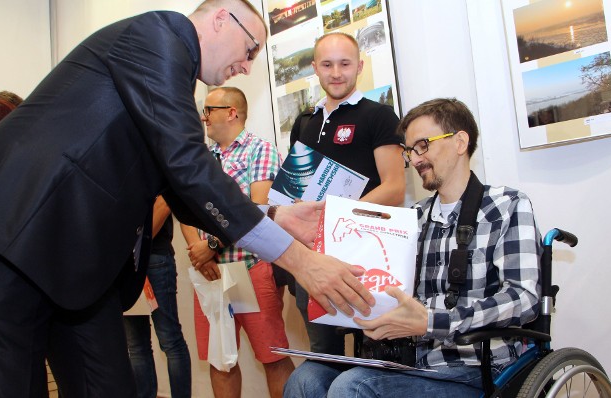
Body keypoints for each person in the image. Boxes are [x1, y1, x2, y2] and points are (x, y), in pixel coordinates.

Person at [0, 1, 375, 396]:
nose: (247, 66)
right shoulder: (158, 36)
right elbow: (188, 166)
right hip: (16, 239)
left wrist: (275, 214)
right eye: (250, 49)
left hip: (76, 264)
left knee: (110, 386)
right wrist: (300, 260)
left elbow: (181, 188)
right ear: (222, 18)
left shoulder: (169, 69)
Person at [284, 98, 542, 397]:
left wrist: (430, 322)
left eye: (423, 145)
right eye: (410, 151)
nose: (415, 159)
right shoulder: (411, 219)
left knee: (351, 387)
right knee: (306, 378)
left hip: (479, 369)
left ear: (460, 142)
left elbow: (524, 298)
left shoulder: (507, 206)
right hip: (411, 364)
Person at [289, 31, 405, 356]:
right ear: (315, 67)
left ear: (360, 66)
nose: (336, 73)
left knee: (377, 352)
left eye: (345, 63)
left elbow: (395, 189)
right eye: (327, 64)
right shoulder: (304, 122)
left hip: (366, 252)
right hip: (313, 256)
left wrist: (338, 212)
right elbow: (297, 192)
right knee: (324, 355)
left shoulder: (379, 116)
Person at [182, 86, 294, 398]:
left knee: (272, 356)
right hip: (210, 273)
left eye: (209, 110)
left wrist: (212, 246)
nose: (203, 118)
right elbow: (185, 210)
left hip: (250, 266)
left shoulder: (261, 151)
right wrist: (198, 254)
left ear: (231, 113)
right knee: (220, 361)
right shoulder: (199, 158)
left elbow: (255, 209)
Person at [123, 196, 191, 398]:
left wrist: (133, 247)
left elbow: (165, 202)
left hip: (153, 257)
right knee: (136, 345)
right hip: (124, 263)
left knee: (170, 340)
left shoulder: (152, 165)